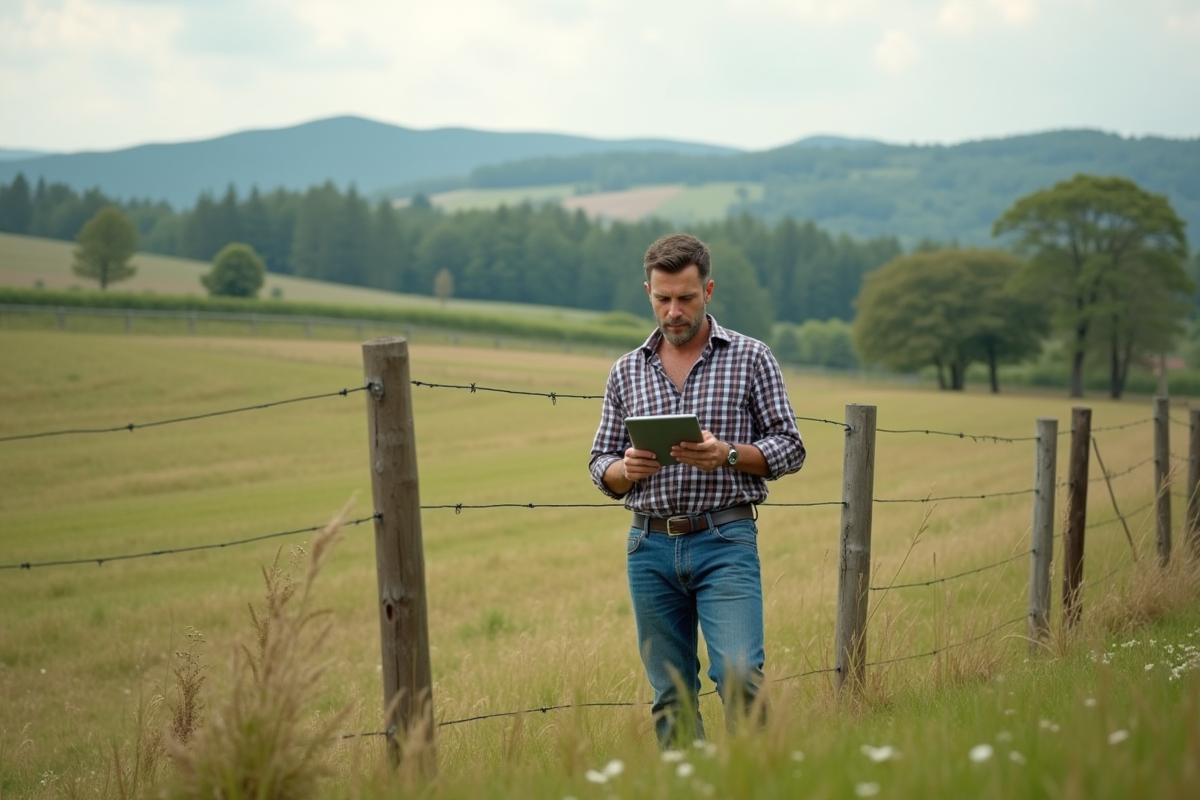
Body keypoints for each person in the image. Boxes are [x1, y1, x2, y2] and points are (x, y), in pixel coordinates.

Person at [588, 233, 806, 747]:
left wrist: (727, 454)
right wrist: (626, 469)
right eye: (663, 298)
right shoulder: (626, 370)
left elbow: (791, 447)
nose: (674, 311)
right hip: (649, 546)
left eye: (685, 298)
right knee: (671, 693)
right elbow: (600, 463)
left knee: (739, 674)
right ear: (647, 292)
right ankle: (688, 779)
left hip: (725, 539)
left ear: (708, 290)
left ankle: (754, 777)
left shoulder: (751, 357)